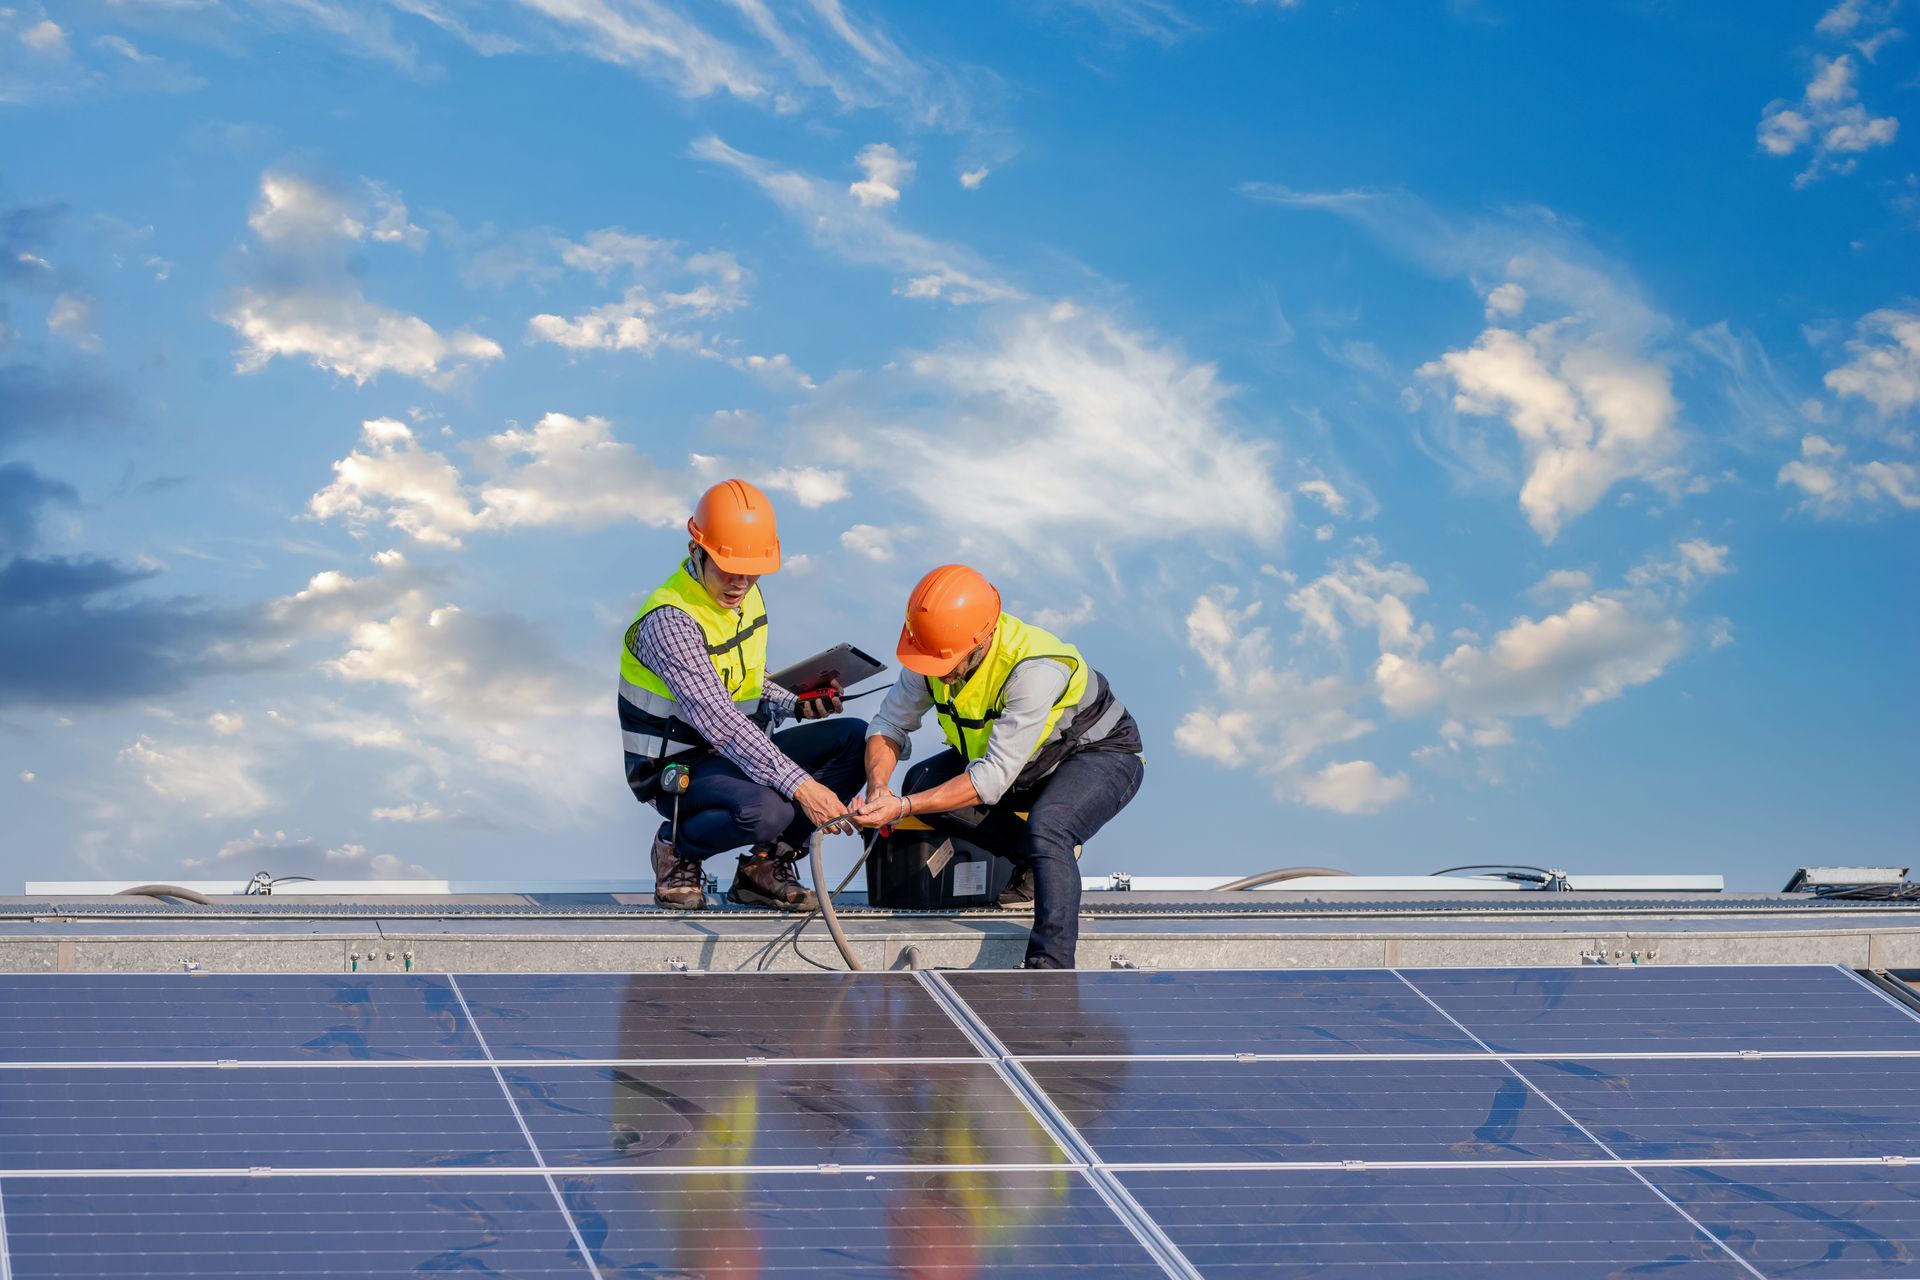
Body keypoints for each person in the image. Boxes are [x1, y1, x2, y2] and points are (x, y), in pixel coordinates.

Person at [853, 564, 1144, 969]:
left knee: (1051, 828)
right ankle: (1035, 860)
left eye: (945, 663)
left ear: (982, 640)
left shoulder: (1035, 670)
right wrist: (879, 786)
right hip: (1019, 763)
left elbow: (988, 781)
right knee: (923, 782)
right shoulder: (932, 653)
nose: (936, 672)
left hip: (1097, 756)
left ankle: (1050, 965)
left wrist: (903, 808)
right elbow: (889, 724)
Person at [619, 478, 863, 911]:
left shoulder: (743, 594)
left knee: (855, 740)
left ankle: (764, 868)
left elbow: (747, 681)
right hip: (679, 766)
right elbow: (720, 719)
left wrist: (796, 703)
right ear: (697, 551)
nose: (740, 583)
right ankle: (677, 847)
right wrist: (805, 788)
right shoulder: (669, 620)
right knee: (770, 809)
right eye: (729, 569)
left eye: (752, 572)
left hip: (735, 753)